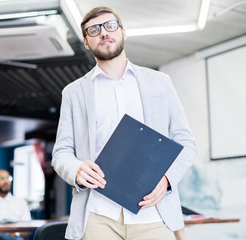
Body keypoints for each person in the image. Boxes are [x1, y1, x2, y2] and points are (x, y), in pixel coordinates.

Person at [52, 6, 197, 240]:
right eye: (93, 30)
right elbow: (61, 152)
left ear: (123, 32)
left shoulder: (160, 82)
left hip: (154, 214)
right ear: (86, 42)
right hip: (98, 215)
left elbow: (186, 142)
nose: (103, 33)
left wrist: (167, 180)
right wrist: (76, 169)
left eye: (110, 26)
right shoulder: (74, 92)